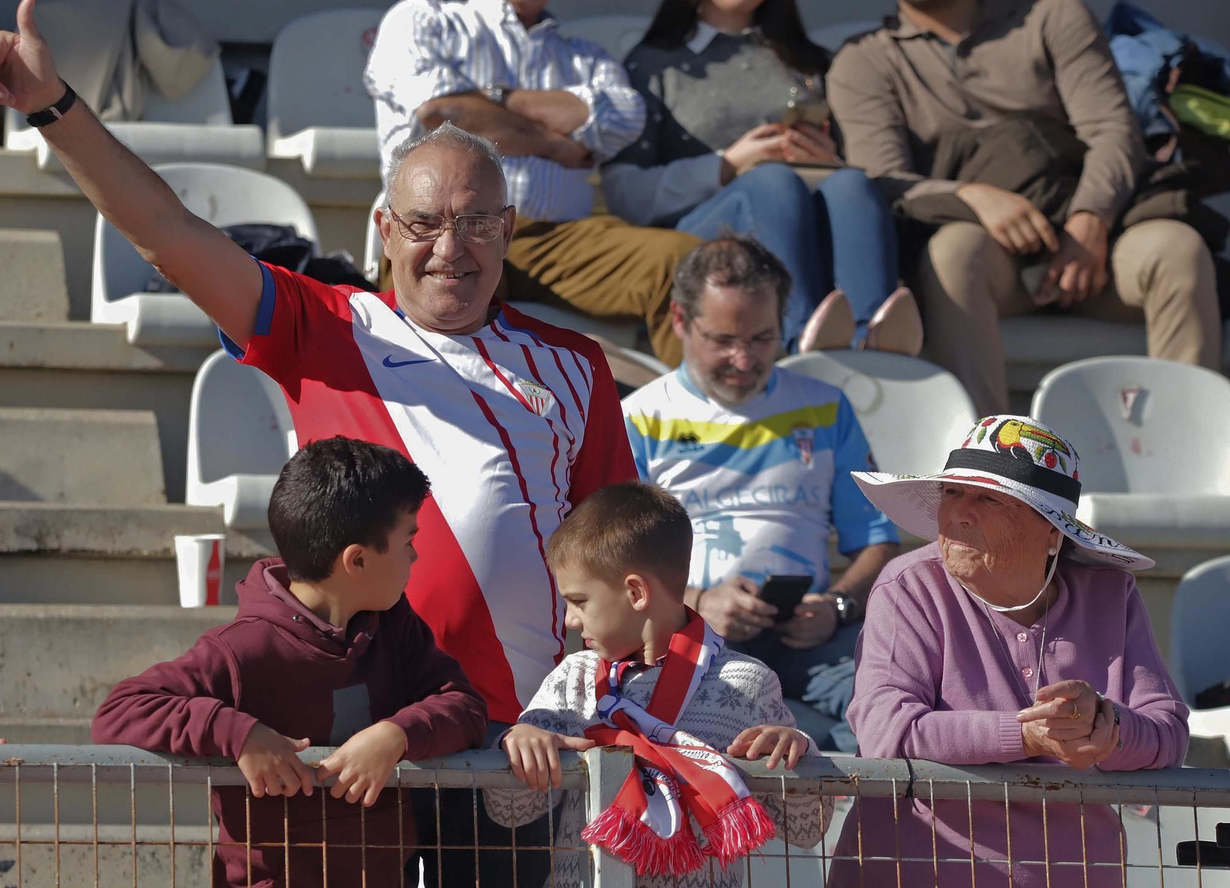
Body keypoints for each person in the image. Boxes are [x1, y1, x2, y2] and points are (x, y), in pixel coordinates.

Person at [0, 0, 638, 886]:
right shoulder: (324, 325)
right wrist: (58, 108)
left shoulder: (576, 363)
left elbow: (617, 558)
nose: (452, 248)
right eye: (427, 224)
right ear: (385, 231)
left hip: (508, 747)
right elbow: (167, 234)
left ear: (509, 230)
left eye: (477, 222)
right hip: (349, 737)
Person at [828, 0, 1220, 416]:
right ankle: (990, 470)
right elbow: (882, 181)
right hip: (990, 258)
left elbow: (1112, 130)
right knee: (951, 253)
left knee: (1178, 250)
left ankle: (1191, 451)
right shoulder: (863, 61)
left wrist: (1091, 219)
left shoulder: (1051, 13)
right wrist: (975, 197)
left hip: (1099, 242)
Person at [92, 436, 487, 887]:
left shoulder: (395, 627)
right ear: (356, 560)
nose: (415, 555)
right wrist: (239, 734)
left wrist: (395, 735)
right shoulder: (239, 649)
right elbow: (118, 712)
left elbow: (465, 707)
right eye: (407, 541)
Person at [829, 414, 1189, 887]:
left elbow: (1168, 733)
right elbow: (886, 734)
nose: (959, 512)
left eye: (988, 499)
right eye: (952, 492)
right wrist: (1028, 736)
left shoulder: (1109, 595)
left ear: (1053, 533)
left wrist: (1107, 729)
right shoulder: (909, 587)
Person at [364, 0, 702, 369]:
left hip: (561, 240)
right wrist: (554, 141)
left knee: (688, 265)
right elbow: (442, 113)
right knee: (445, 295)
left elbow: (626, 118)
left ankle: (696, 430)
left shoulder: (589, 58)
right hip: (445, 227)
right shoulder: (421, 21)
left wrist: (493, 101)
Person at [604, 0, 921, 355]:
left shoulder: (814, 63)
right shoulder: (656, 64)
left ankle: (868, 341)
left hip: (808, 222)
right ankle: (794, 342)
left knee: (852, 186)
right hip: (702, 233)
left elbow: (858, 175)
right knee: (772, 183)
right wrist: (727, 166)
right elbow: (623, 192)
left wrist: (828, 160)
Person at [621, 236, 899, 751]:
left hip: (809, 635)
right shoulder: (639, 418)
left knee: (899, 703)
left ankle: (845, 823)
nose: (744, 360)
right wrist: (699, 603)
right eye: (724, 340)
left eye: (763, 339)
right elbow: (611, 570)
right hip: (688, 640)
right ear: (680, 321)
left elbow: (879, 542)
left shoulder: (826, 407)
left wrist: (837, 606)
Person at [486, 481, 827, 887]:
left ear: (635, 592)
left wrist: (798, 751)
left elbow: (807, 831)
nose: (570, 621)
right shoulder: (571, 678)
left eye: (579, 601)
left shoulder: (747, 683)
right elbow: (508, 811)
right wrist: (518, 744)